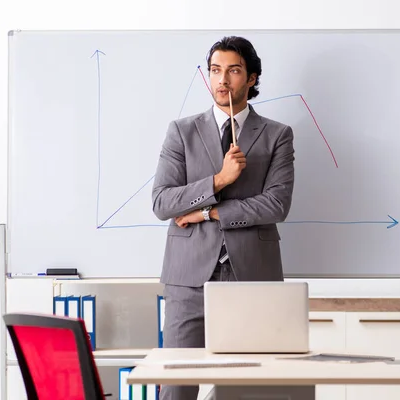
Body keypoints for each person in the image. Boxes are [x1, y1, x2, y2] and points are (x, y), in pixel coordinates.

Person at [151, 36, 295, 400]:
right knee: (178, 386)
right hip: (188, 279)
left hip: (251, 276)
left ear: (251, 78)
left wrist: (207, 211)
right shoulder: (181, 132)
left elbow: (276, 205)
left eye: (233, 71)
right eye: (216, 71)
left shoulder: (277, 134)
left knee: (245, 389)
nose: (223, 81)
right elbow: (162, 202)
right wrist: (219, 180)